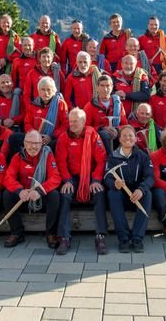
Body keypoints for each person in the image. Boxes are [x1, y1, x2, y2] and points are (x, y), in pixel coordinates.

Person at [55, 108, 109, 255]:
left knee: (99, 193)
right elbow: (61, 162)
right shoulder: (63, 138)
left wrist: (96, 179)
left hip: (91, 177)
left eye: (75, 121)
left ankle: (100, 236)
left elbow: (101, 160)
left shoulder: (93, 136)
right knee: (65, 195)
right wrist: (66, 180)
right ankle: (64, 237)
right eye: (70, 121)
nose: (71, 124)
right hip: (71, 177)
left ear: (84, 121)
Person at [1, 130, 62, 248]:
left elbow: (55, 177)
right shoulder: (17, 157)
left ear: (42, 144)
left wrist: (40, 191)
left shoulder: (47, 155)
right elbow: (8, 177)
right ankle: (17, 232)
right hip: (23, 197)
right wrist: (19, 191)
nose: (34, 146)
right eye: (30, 143)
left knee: (54, 195)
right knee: (7, 194)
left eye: (37, 143)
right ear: (24, 143)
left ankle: (51, 233)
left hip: (40, 197)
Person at [105, 125, 154, 253]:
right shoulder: (112, 157)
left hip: (137, 195)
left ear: (136, 139)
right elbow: (107, 177)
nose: (128, 138)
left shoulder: (142, 156)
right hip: (121, 196)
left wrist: (141, 189)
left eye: (131, 135)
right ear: (120, 139)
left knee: (147, 194)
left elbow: (150, 177)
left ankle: (137, 238)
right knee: (112, 194)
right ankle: (124, 238)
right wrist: (114, 184)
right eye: (124, 136)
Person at [83, 74, 127, 155]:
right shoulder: (90, 106)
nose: (105, 89)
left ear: (112, 87)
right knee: (104, 134)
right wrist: (102, 128)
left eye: (108, 85)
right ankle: (110, 159)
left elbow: (124, 124)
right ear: (97, 88)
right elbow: (85, 128)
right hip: (98, 140)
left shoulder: (118, 104)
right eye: (102, 86)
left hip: (117, 136)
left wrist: (117, 130)